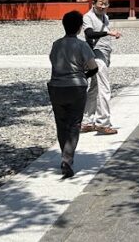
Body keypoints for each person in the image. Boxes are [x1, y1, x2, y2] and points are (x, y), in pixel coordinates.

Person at [48, 10, 98, 178]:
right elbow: (93, 67)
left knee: (61, 123)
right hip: (76, 87)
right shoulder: (82, 45)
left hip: (56, 86)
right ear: (79, 28)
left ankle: (65, 155)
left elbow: (53, 62)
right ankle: (67, 159)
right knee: (74, 123)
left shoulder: (56, 44)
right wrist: (83, 76)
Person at [81, 0, 121, 135]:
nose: (103, 6)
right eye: (101, 3)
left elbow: (103, 33)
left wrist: (110, 34)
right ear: (94, 2)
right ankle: (103, 123)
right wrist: (108, 33)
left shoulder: (105, 17)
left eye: (106, 3)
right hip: (95, 55)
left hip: (104, 54)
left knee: (94, 88)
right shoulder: (88, 17)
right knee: (104, 87)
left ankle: (86, 121)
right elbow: (90, 34)